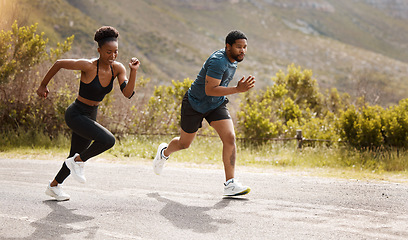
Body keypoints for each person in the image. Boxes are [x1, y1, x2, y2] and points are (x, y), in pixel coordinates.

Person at [37, 26, 140, 201]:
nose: (113, 56)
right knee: (108, 140)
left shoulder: (118, 69)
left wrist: (133, 71)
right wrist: (43, 85)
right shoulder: (88, 66)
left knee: (74, 154)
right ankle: (78, 161)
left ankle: (54, 186)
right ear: (99, 50)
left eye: (115, 52)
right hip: (76, 113)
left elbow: (128, 93)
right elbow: (59, 64)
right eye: (108, 52)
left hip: (91, 114)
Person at [153, 30, 255, 196]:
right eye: (239, 47)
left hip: (216, 104)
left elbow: (215, 91)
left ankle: (230, 184)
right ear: (228, 47)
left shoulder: (234, 59)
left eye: (245, 47)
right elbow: (210, 89)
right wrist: (237, 89)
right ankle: (164, 153)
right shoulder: (218, 62)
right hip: (195, 104)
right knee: (184, 144)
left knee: (230, 137)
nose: (242, 50)